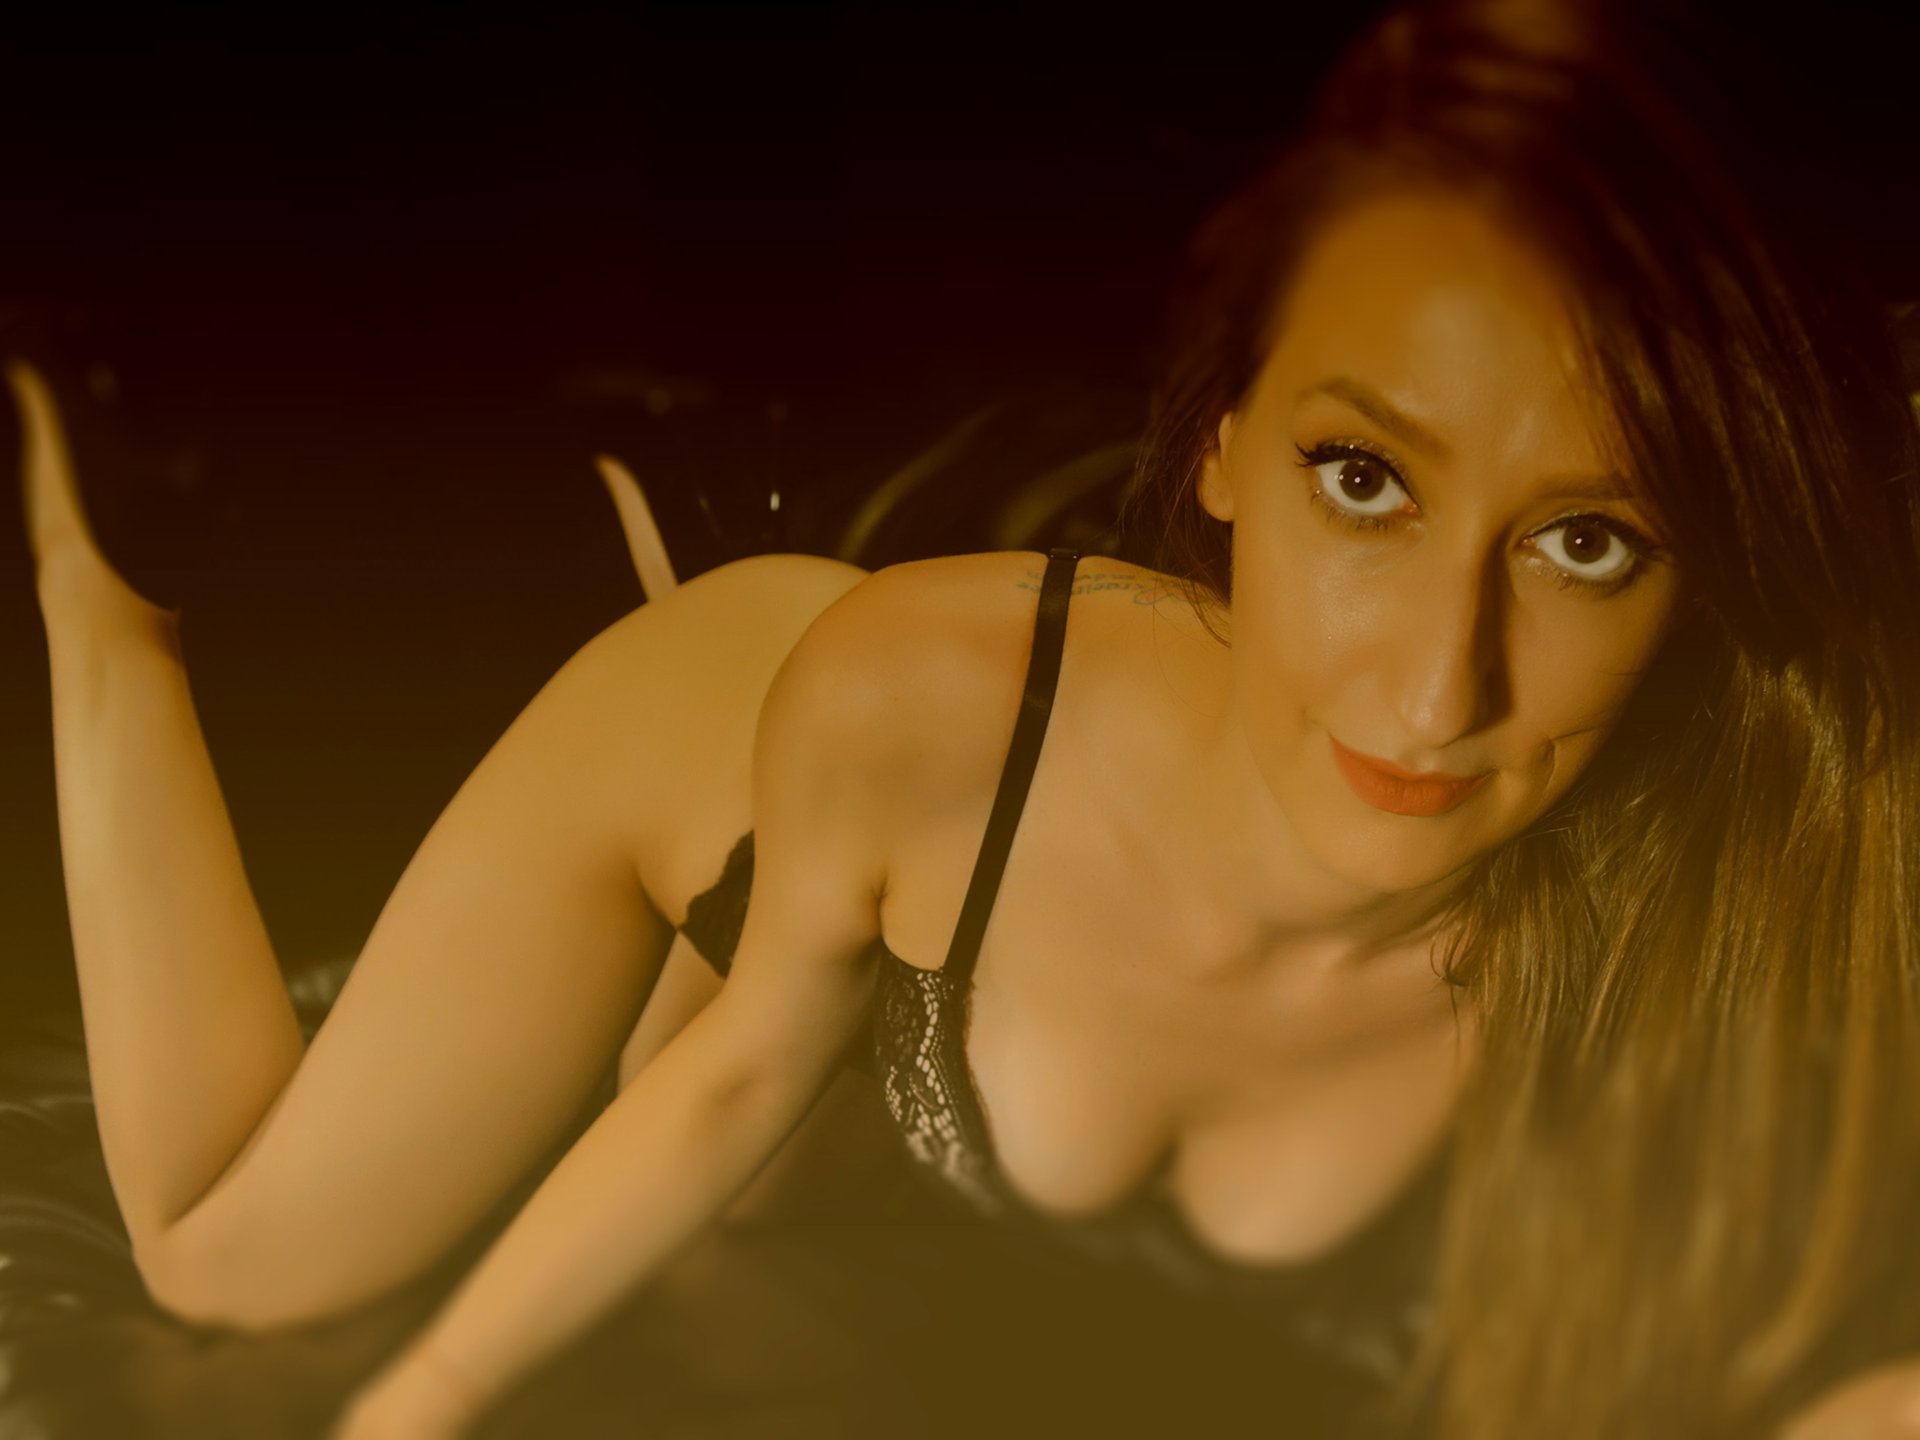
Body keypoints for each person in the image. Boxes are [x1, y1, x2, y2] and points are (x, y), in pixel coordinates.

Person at [13, 0, 1920, 1435]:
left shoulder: (1730, 901)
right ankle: (109, 596)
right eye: (1364, 480)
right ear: (1225, 439)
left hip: (918, 858)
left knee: (761, 1212)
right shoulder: (923, 717)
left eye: (1588, 542)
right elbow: (730, 1088)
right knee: (225, 1257)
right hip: (808, 719)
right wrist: (414, 1412)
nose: (1441, 692)